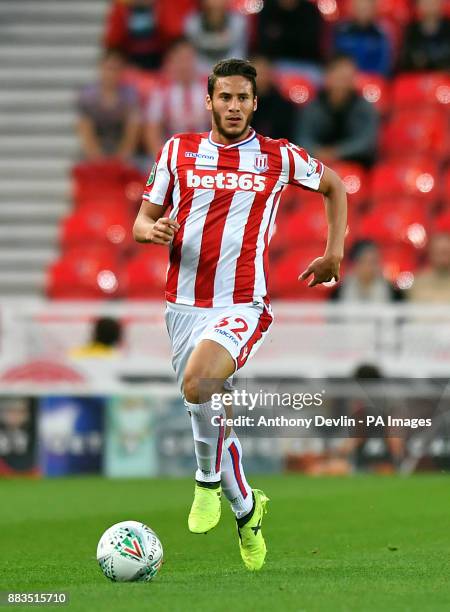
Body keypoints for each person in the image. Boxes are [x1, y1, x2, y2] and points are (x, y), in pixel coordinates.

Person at [133, 58, 347, 570]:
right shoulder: (177, 151)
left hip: (242, 303)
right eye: (224, 97)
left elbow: (334, 185)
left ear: (255, 103)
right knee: (208, 407)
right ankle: (247, 509)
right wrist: (152, 232)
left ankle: (205, 482)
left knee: (199, 383)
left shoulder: (276, 157)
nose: (233, 106)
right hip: (182, 306)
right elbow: (142, 220)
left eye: (242, 98)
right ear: (209, 100)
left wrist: (334, 252)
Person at [296, 54, 379, 167]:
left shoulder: (364, 108)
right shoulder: (313, 107)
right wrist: (317, 152)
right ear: (327, 78)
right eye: (340, 78)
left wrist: (337, 152)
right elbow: (302, 138)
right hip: (316, 165)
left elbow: (366, 142)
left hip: (354, 167)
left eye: (348, 78)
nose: (343, 84)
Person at [144, 38, 210, 159]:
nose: (185, 65)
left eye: (188, 59)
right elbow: (151, 130)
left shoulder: (210, 87)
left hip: (207, 153)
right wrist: (164, 160)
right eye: (180, 59)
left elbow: (222, 126)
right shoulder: (161, 89)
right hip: (172, 154)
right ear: (171, 62)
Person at [77, 50, 141, 162]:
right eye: (108, 68)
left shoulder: (129, 95)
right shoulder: (88, 95)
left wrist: (123, 154)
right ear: (101, 69)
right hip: (95, 150)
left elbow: (133, 127)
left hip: (122, 151)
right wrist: (95, 155)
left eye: (116, 69)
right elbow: (84, 127)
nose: (111, 74)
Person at [257, 0, 325, 83]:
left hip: (306, 64)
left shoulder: (310, 10)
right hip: (274, 63)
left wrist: (280, 35)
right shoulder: (268, 8)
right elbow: (264, 43)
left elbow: (310, 43)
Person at [330, 240, 404, 302]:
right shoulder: (339, 293)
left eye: (374, 261)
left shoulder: (393, 293)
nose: (370, 267)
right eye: (365, 261)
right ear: (354, 264)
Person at [184, 0, 249, 71]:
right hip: (200, 73)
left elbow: (236, 48)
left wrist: (205, 40)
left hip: (232, 71)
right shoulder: (192, 22)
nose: (216, 2)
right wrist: (221, 38)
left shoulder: (238, 21)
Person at [333, 0, 392, 76]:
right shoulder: (341, 30)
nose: (363, 11)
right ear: (352, 8)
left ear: (374, 9)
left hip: (372, 80)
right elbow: (334, 60)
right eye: (360, 7)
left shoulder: (382, 33)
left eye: (366, 8)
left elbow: (384, 65)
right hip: (344, 78)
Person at [103, 0, 163, 71]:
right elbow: (112, 40)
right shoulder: (122, 7)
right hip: (129, 62)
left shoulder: (160, 6)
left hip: (158, 61)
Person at [250, 56, 296, 141]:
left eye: (263, 73)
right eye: (256, 73)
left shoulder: (284, 106)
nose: (260, 78)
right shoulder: (239, 104)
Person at [399, 0, 450, 72]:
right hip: (417, 77)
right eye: (425, 2)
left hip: (445, 77)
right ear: (418, 5)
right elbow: (405, 60)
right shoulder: (411, 30)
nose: (429, 6)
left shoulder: (448, 28)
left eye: (433, 2)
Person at [408, 233, 450, 303]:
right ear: (430, 253)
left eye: (445, 252)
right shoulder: (416, 283)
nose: (443, 258)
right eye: (438, 252)